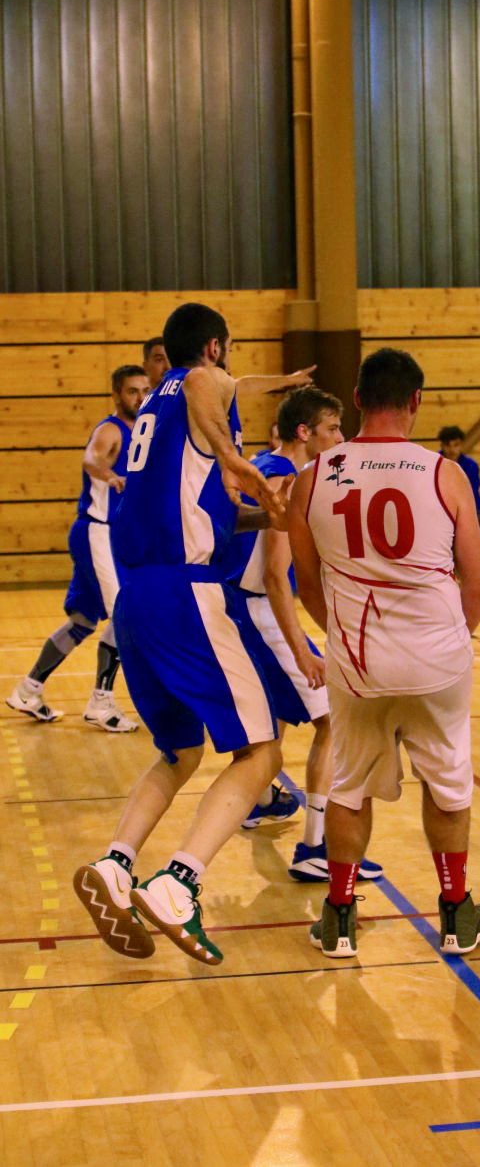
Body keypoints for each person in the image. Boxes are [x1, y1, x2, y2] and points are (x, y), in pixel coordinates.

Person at [73, 302, 312, 965]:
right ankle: (179, 881)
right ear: (212, 347)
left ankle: (116, 864)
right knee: (262, 753)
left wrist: (268, 518)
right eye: (228, 348)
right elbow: (217, 389)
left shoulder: (154, 409)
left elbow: (208, 513)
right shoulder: (198, 382)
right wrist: (245, 465)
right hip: (186, 595)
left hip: (138, 597)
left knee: (179, 751)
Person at [289, 347, 480, 958]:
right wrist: (451, 640)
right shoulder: (445, 474)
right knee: (448, 782)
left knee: (349, 785)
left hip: (357, 661)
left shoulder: (313, 477)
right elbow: (479, 586)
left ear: (357, 400)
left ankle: (339, 916)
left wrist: (344, 638)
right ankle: (456, 912)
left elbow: (306, 583)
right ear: (416, 402)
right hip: (437, 657)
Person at [227, 386, 383, 882]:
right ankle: (316, 846)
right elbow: (275, 576)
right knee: (333, 718)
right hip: (257, 608)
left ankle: (261, 800)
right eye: (332, 428)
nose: (340, 438)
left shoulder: (262, 464)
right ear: (304, 432)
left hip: (234, 605)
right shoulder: (288, 480)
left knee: (273, 714)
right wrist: (301, 649)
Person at [6, 365, 150, 731]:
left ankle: (28, 690)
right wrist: (109, 475)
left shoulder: (144, 432)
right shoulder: (110, 430)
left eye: (144, 390)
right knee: (125, 615)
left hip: (110, 535)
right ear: (116, 395)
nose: (140, 397)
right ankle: (101, 702)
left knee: (83, 621)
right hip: (98, 531)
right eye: (132, 391)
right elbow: (91, 459)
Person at [437, 426, 480, 516]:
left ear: (461, 445)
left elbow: (474, 493)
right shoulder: (433, 463)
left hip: (464, 512)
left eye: (456, 445)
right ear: (441, 445)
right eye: (447, 445)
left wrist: (477, 514)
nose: (452, 450)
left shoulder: (471, 465)